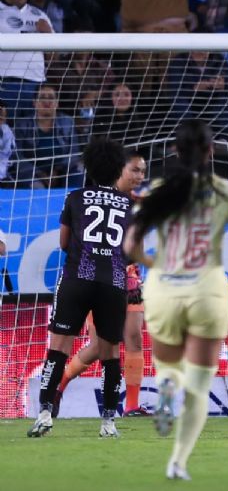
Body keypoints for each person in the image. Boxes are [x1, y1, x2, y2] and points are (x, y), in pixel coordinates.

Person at [123, 120, 228, 480]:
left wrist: (155, 264)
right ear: (211, 151)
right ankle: (178, 462)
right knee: (199, 384)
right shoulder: (225, 191)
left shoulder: (157, 189)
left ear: (176, 151)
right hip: (207, 289)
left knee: (169, 364)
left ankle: (167, 386)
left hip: (164, 287)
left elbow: (130, 247)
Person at [28, 138, 133, 439]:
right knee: (110, 352)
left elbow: (63, 243)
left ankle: (45, 413)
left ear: (88, 167)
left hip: (77, 279)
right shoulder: (129, 204)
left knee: (58, 348)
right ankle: (109, 422)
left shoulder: (75, 198)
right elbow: (132, 248)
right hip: (113, 282)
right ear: (117, 171)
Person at [55, 151, 151, 416]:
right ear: (118, 171)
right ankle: (59, 384)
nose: (139, 176)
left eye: (143, 171)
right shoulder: (92, 199)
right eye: (134, 170)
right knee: (101, 346)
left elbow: (138, 247)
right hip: (97, 276)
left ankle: (131, 405)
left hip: (127, 275)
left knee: (134, 337)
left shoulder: (136, 204)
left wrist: (136, 267)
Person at [0, 0, 53, 124]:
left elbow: (53, 58)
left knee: (30, 139)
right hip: (4, 85)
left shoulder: (41, 16)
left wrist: (48, 34)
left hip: (35, 87)